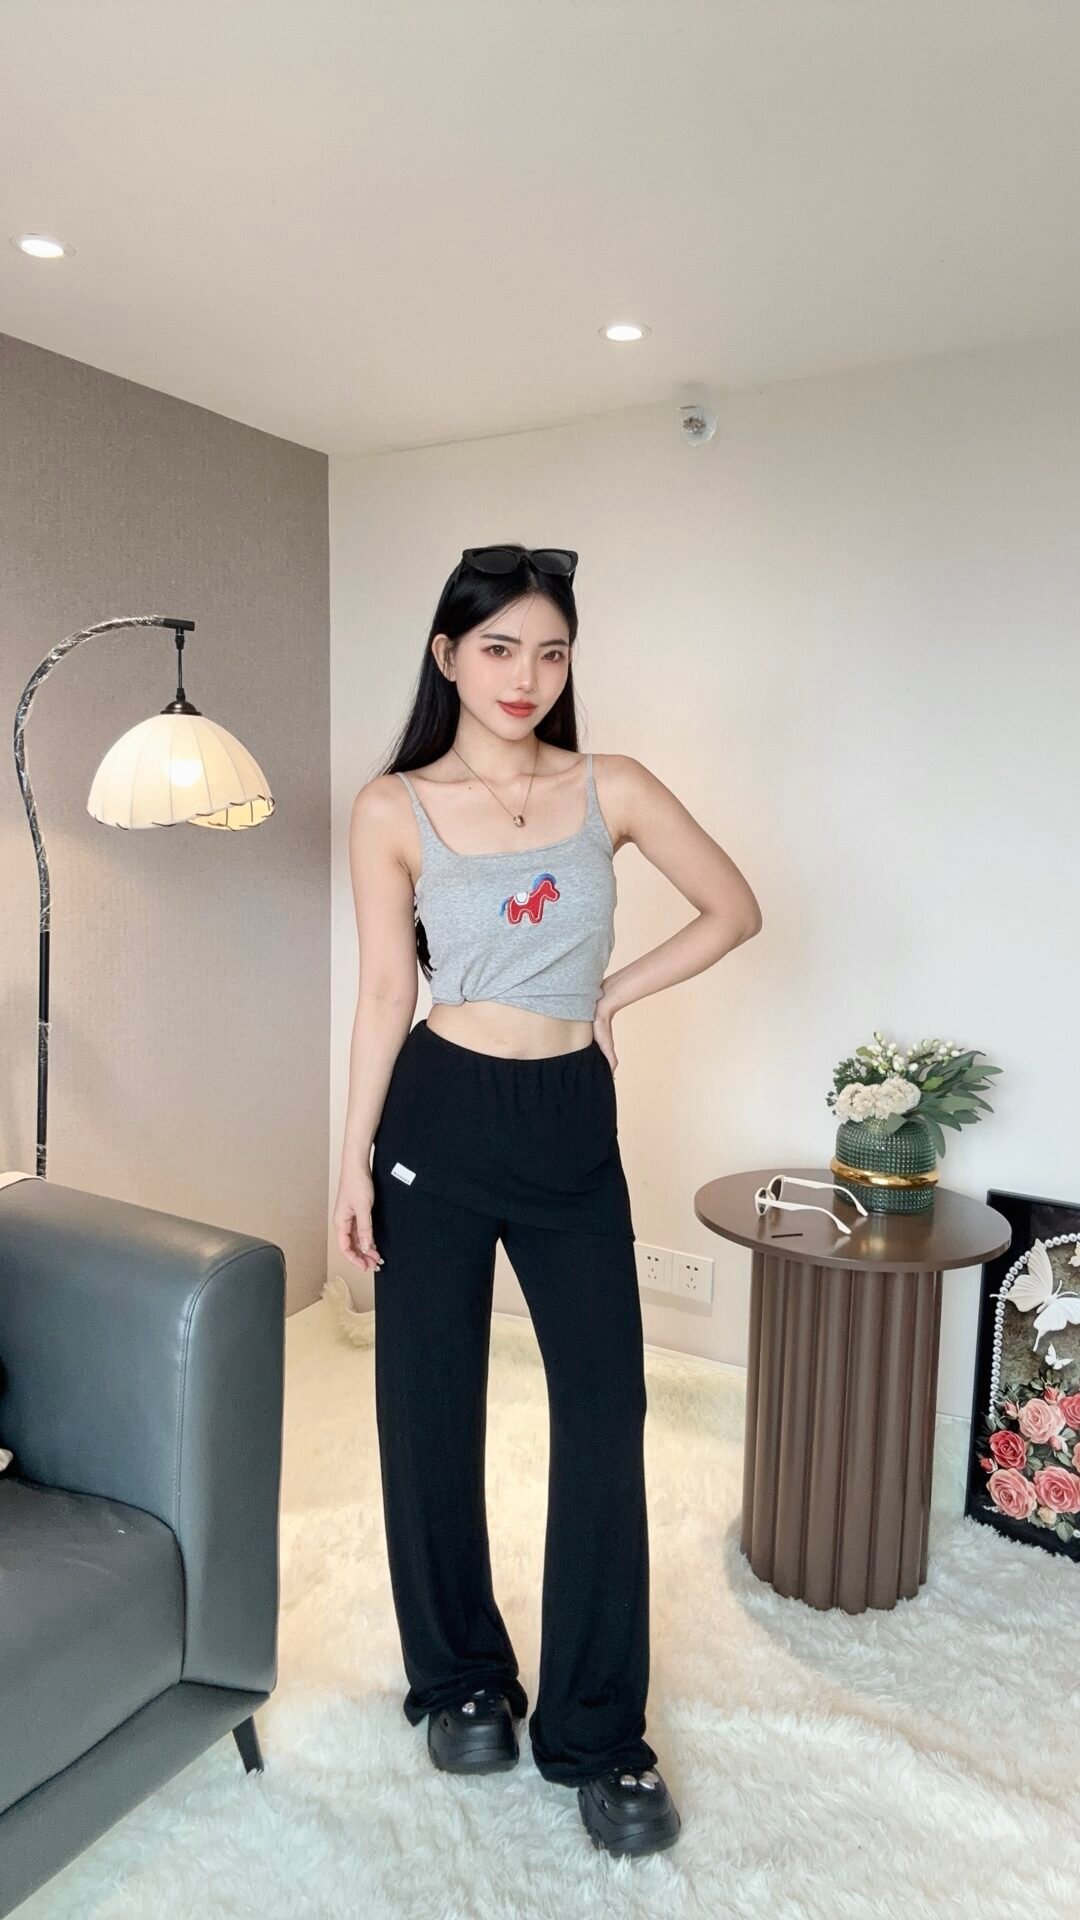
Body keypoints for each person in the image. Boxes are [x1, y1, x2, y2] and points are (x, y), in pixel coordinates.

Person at [333, 543, 762, 1859]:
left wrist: (613, 993)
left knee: (605, 1412)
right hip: (438, 1117)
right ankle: (461, 1676)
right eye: (500, 647)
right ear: (448, 656)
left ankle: (597, 1733)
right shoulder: (393, 806)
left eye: (552, 651)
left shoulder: (608, 786)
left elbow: (733, 908)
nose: (527, 676)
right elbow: (385, 990)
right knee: (428, 1404)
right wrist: (348, 1162)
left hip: (571, 1119)